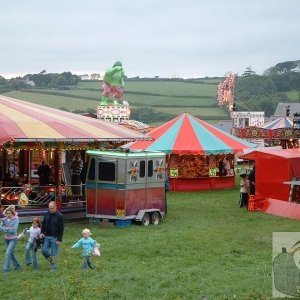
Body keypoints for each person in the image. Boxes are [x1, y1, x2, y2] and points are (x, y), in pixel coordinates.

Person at [40, 201, 64, 271]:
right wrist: (42, 232)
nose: (50, 210)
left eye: (52, 208)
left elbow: (61, 228)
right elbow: (43, 225)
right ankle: (52, 262)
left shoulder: (60, 216)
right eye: (49, 208)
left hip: (55, 237)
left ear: (56, 207)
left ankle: (53, 268)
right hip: (46, 236)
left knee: (54, 253)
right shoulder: (46, 214)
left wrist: (59, 239)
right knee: (44, 250)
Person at [0, 205, 21, 272]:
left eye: (9, 213)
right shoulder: (4, 219)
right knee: (11, 253)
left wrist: (4, 229)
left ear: (12, 213)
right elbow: (0, 228)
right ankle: (17, 266)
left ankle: (6, 269)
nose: (8, 214)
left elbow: (14, 230)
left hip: (13, 239)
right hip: (6, 238)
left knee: (8, 253)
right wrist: (8, 229)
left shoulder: (16, 219)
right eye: (7, 213)